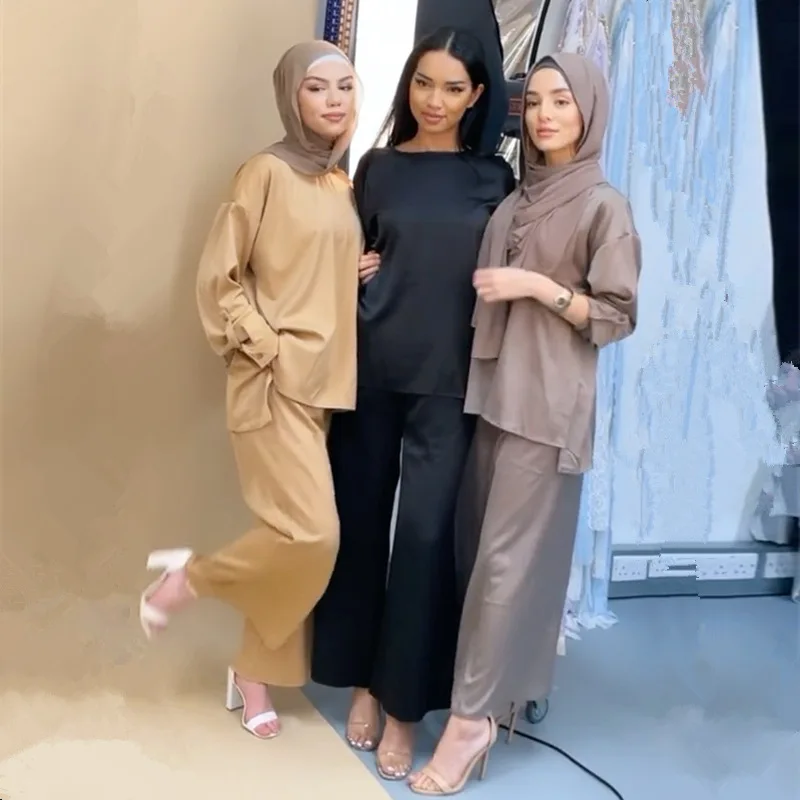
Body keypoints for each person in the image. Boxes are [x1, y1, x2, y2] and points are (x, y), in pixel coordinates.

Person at [409, 52, 642, 795]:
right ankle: (500, 692)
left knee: (504, 568)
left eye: (561, 102)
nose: (544, 116)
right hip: (492, 393)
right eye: (534, 101)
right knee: (480, 555)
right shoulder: (519, 196)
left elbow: (616, 315)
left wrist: (539, 287)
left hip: (546, 406)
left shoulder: (603, 206)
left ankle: (470, 722)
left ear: (589, 111)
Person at [137, 40, 362, 740]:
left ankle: (253, 672)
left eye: (345, 86)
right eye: (317, 88)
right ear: (291, 97)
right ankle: (191, 579)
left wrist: (357, 269)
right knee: (313, 536)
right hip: (272, 384)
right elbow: (220, 275)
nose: (334, 100)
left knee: (289, 541)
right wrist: (269, 349)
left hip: (326, 387)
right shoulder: (265, 171)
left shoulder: (338, 182)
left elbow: (312, 265)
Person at [311, 27, 515, 781]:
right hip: (371, 367)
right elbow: (345, 253)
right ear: (408, 85)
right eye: (424, 83)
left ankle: (404, 705)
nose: (435, 100)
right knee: (361, 525)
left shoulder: (494, 178)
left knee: (425, 540)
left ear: (477, 96)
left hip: (451, 377)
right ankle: (362, 681)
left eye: (453, 88)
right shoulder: (376, 167)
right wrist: (353, 269)